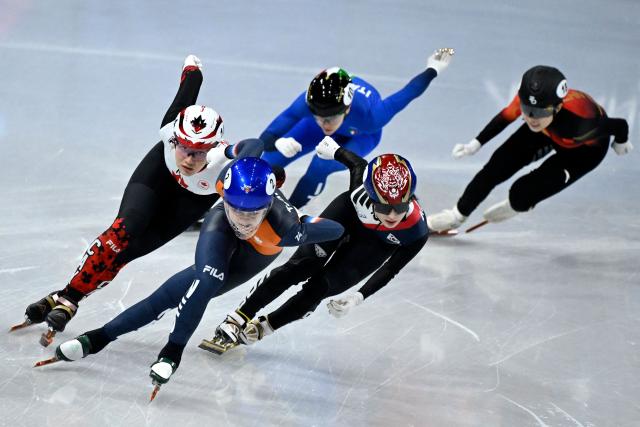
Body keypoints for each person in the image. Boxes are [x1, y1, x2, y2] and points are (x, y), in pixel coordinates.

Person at [17, 55, 264, 346]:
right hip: (157, 174)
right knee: (123, 231)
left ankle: (63, 295)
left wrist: (237, 153)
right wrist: (193, 68)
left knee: (128, 252)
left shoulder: (223, 163)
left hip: (188, 202)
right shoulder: (170, 128)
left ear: (212, 149)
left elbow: (256, 146)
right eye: (183, 147)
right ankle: (70, 299)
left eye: (198, 152)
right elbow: (189, 86)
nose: (187, 157)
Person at [44, 157, 344, 391]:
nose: (243, 220)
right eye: (237, 209)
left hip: (257, 254)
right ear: (222, 192)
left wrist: (304, 226)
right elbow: (251, 147)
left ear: (266, 206)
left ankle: (105, 339)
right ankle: (160, 349)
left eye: (252, 213)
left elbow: (337, 229)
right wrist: (233, 152)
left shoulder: (288, 228)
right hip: (219, 229)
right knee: (204, 280)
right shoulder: (227, 203)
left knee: (179, 292)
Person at [211, 136, 429, 348]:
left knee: (320, 287)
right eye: (383, 207)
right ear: (370, 197)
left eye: (400, 207)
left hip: (375, 246)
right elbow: (357, 165)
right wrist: (334, 151)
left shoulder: (416, 231)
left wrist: (358, 297)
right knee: (298, 267)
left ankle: (264, 327)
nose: (392, 215)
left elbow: (391, 268)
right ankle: (238, 318)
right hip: (347, 216)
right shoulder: (358, 193)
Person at [426, 65, 633, 232]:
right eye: (527, 110)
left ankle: (518, 203)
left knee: (522, 192)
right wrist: (476, 143)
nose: (531, 117)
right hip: (546, 133)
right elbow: (505, 117)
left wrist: (621, 142)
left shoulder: (581, 124)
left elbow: (619, 125)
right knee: (495, 167)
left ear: (558, 107)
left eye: (539, 111)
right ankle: (456, 216)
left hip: (583, 151)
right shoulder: (530, 106)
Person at [260, 48, 454, 208]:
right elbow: (267, 137)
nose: (325, 124)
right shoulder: (308, 105)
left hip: (361, 136)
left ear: (348, 108)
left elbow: (407, 93)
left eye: (330, 118)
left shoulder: (372, 117)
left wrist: (432, 69)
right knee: (269, 159)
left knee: (320, 165)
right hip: (320, 128)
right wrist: (276, 141)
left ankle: (290, 211)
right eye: (319, 117)